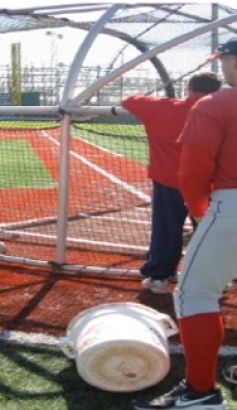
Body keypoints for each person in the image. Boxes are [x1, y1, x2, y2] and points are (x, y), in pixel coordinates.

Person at [129, 38, 237, 410]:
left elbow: (193, 172)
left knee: (194, 294)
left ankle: (200, 392)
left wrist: (200, 210)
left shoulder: (216, 104)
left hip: (230, 203)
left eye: (224, 61)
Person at [121, 72, 222, 294]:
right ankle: (214, 280)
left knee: (166, 228)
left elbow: (128, 100)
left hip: (169, 180)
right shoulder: (222, 109)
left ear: (190, 87)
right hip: (210, 183)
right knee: (210, 231)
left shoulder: (163, 107)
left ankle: (160, 277)